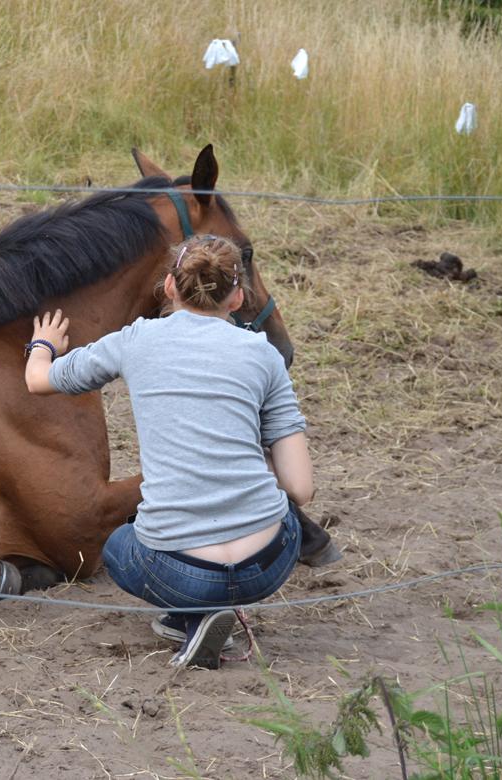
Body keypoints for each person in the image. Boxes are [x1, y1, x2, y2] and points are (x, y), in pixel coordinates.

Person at [23, 235, 314, 670]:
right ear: (237, 297)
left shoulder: (136, 340)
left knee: (121, 542)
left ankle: (190, 616)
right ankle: (204, 618)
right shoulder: (264, 355)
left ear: (170, 288)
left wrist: (42, 346)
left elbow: (38, 382)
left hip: (179, 572)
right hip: (265, 566)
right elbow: (301, 489)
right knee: (283, 516)